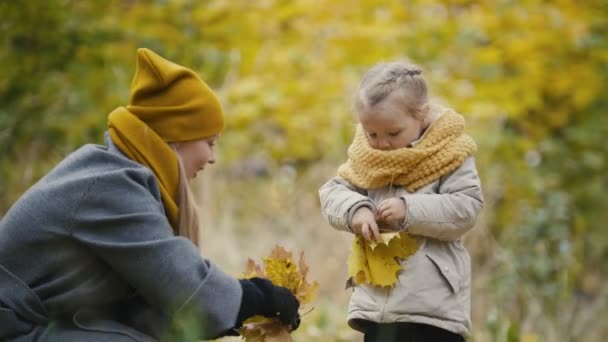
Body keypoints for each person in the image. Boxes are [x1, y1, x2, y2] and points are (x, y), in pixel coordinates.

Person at [0, 48, 300, 341]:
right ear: (177, 138)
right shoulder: (109, 185)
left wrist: (241, 309)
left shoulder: (119, 176)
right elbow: (181, 282)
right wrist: (259, 296)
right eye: (209, 142)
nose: (212, 159)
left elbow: (153, 308)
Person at [319, 62, 484, 342]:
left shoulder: (450, 152)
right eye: (372, 134)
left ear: (421, 115)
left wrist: (410, 210)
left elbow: (466, 207)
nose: (382, 144)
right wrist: (356, 210)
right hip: (376, 305)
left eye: (392, 134)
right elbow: (333, 192)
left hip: (433, 310)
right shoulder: (366, 158)